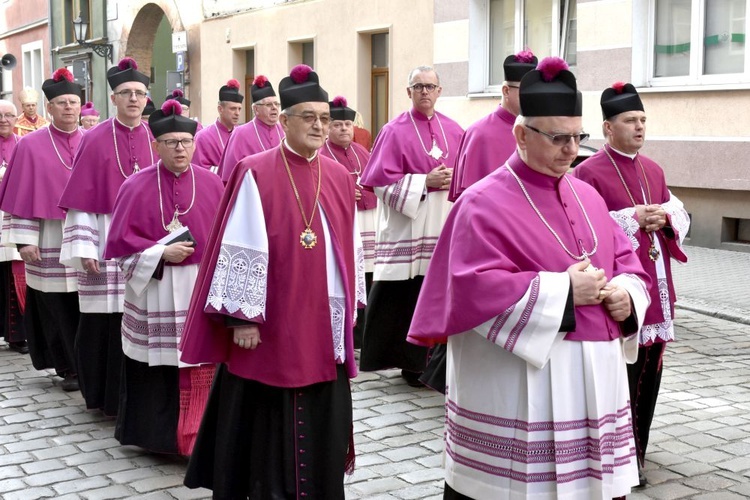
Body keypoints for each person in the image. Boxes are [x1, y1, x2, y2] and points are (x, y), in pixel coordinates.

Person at [407, 57, 651, 500]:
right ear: (521, 134)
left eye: (577, 137)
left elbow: (628, 261)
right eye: (557, 138)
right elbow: (469, 287)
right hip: (519, 395)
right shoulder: (480, 204)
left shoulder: (588, 195)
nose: (570, 150)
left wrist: (627, 297)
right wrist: (563, 292)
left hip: (594, 390)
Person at [181, 64, 363, 499]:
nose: (320, 126)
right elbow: (239, 244)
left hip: (322, 315)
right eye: (308, 117)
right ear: (284, 121)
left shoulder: (338, 175)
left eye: (325, 117)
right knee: (265, 411)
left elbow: (348, 248)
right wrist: (242, 318)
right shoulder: (255, 169)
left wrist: (348, 311)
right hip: (272, 316)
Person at [573, 81, 690, 487]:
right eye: (630, 120)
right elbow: (583, 230)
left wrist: (666, 220)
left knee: (651, 374)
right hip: (617, 289)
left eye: (642, 120)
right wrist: (631, 219)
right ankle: (614, 452)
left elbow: (680, 214)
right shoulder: (587, 172)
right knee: (622, 373)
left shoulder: (653, 168)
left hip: (656, 289)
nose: (639, 127)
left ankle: (637, 451)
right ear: (608, 127)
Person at [103, 100, 223, 455]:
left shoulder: (213, 183)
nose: (179, 149)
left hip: (198, 288)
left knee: (201, 361)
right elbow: (119, 251)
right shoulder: (135, 186)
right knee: (154, 367)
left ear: (195, 143)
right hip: (153, 291)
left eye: (185, 142)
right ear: (156, 145)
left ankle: (200, 435)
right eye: (170, 142)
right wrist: (159, 253)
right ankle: (157, 438)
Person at [58, 57, 156, 416]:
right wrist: (84, 247)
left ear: (147, 98)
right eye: (126, 93)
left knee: (140, 316)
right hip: (101, 235)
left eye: (140, 93)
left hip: (143, 239)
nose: (134, 99)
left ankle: (134, 397)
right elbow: (81, 199)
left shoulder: (155, 137)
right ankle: (102, 395)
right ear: (113, 98)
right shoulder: (96, 138)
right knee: (102, 320)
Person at [358, 65, 463, 387]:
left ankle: (436, 364)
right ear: (408, 92)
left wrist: (450, 180)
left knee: (438, 291)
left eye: (430, 87)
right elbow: (377, 183)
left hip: (443, 219)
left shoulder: (456, 129)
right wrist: (423, 182)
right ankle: (408, 363)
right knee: (404, 295)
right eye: (418, 87)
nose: (425, 92)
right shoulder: (393, 130)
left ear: (440, 91)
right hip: (410, 224)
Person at [0, 69, 83, 391]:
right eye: (61, 103)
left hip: (88, 236)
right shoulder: (30, 145)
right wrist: (24, 242)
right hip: (48, 236)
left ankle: (87, 362)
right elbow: (19, 196)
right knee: (56, 305)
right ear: (49, 108)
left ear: (80, 105)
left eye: (73, 102)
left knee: (87, 304)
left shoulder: (93, 142)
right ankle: (67, 366)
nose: (68, 108)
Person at [319, 95, 377, 348]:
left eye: (347, 125)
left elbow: (376, 181)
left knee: (371, 277)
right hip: (344, 223)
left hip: (371, 221)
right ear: (328, 127)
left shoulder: (362, 151)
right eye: (337, 124)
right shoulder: (322, 154)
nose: (343, 129)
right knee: (350, 276)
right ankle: (349, 333)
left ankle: (367, 333)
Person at [449, 50, 537, 201]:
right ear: (506, 90)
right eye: (525, 90)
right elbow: (469, 202)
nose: (532, 97)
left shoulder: (538, 130)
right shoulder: (478, 133)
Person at [216, 74, 284, 182]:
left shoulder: (285, 130)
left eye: (276, 104)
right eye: (268, 105)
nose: (274, 108)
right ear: (256, 109)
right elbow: (230, 176)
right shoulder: (240, 133)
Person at [0, 100, 26, 354]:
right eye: (0, 115)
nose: (4, 120)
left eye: (9, 115)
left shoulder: (23, 145)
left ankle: (17, 335)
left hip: (14, 215)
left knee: (15, 276)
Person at [192, 79, 244, 172]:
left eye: (239, 109)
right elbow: (198, 170)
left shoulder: (242, 134)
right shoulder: (202, 137)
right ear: (220, 109)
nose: (237, 113)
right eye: (233, 109)